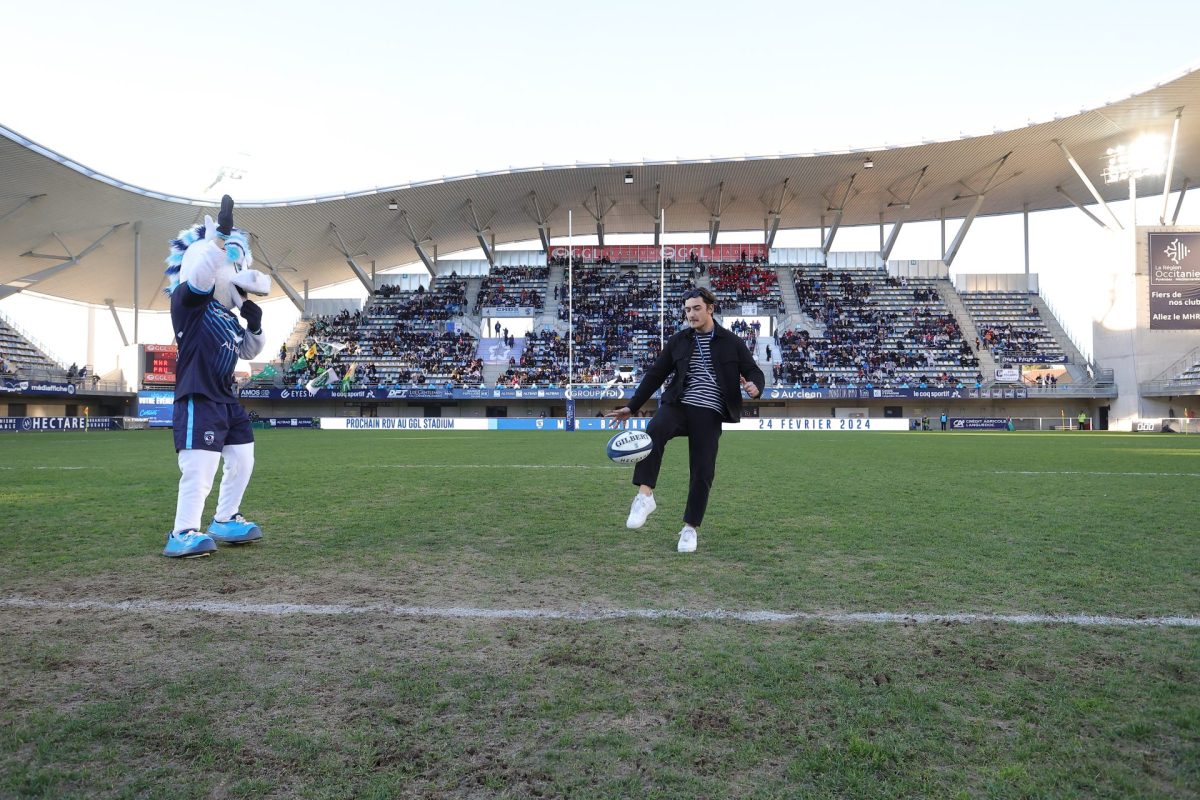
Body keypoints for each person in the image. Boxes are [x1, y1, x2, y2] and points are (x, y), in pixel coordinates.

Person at [605, 287, 764, 553]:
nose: (691, 314)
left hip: (710, 412)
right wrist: (631, 407)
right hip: (678, 404)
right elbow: (655, 375)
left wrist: (756, 387)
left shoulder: (731, 342)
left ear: (710, 309)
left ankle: (690, 529)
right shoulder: (679, 341)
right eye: (687, 310)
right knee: (654, 428)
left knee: (702, 471)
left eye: (696, 309)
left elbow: (753, 371)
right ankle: (645, 496)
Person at [161, 195, 272, 558]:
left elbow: (248, 351)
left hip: (227, 398)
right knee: (200, 467)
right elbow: (201, 276)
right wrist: (219, 240)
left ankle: (225, 518)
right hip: (198, 396)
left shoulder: (226, 316)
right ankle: (182, 531)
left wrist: (254, 326)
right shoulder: (188, 304)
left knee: (243, 458)